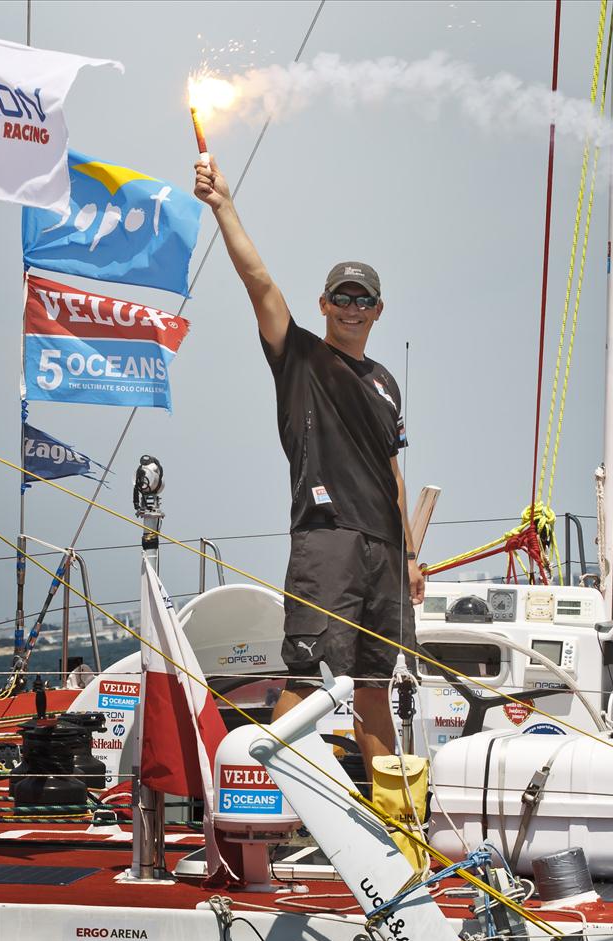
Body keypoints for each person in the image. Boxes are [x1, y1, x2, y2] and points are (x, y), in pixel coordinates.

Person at [194, 156, 425, 781]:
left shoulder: (386, 384)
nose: (352, 307)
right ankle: (254, 812)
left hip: (385, 551)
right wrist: (224, 207)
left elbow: (394, 476)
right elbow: (261, 284)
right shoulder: (299, 358)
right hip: (328, 541)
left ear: (379, 310)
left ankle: (393, 829)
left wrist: (409, 556)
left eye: (364, 299)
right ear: (324, 303)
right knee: (307, 678)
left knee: (375, 689)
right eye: (342, 296)